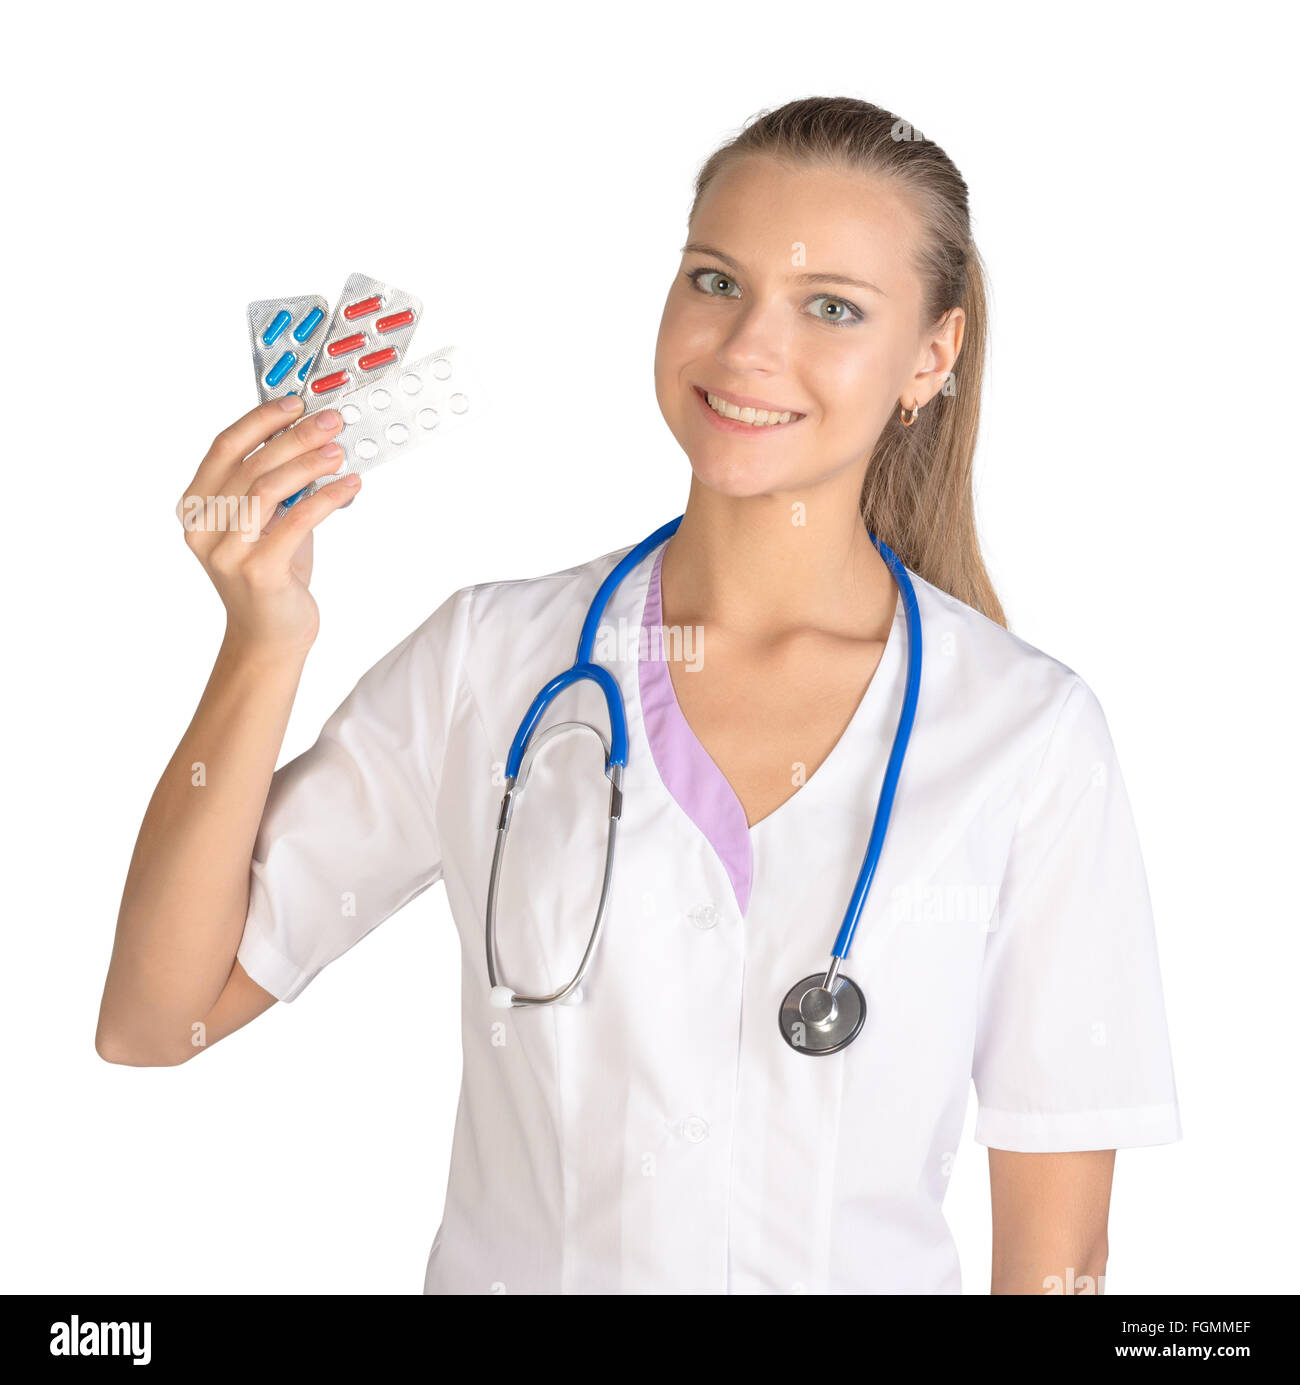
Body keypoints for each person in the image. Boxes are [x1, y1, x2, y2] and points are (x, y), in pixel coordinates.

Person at [97, 95, 1181, 1294]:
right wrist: (264, 637)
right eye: (716, 281)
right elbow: (158, 1017)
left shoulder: (1026, 733)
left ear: (930, 355)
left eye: (831, 307)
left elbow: (1058, 1261)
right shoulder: (489, 661)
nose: (749, 347)